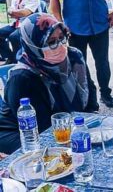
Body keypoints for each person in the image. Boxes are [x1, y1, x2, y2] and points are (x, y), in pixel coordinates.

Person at [0, 13, 89, 154]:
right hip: (20, 133)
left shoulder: (73, 57)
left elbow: (90, 99)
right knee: (50, 158)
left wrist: (88, 126)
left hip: (64, 126)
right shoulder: (22, 78)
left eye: (61, 38)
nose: (60, 45)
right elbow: (42, 128)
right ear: (33, 44)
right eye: (51, 42)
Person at [0, 0, 40, 64]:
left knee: (13, 37)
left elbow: (25, 13)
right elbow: (11, 12)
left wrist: (13, 12)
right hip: (16, 24)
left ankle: (19, 60)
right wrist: (14, 12)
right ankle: (10, 57)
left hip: (30, 24)